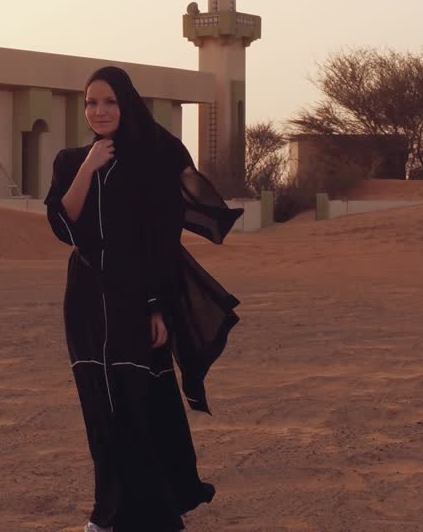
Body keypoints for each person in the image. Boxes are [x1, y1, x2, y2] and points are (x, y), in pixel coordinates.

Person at [42, 66, 244, 532]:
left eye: (109, 101)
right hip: (87, 298)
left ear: (127, 103)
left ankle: (157, 509)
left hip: (137, 297)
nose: (99, 111)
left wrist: (158, 306)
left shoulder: (153, 155)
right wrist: (90, 167)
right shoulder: (71, 159)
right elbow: (62, 223)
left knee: (141, 403)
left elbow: (159, 238)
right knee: (100, 406)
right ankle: (107, 514)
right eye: (91, 102)